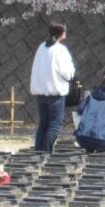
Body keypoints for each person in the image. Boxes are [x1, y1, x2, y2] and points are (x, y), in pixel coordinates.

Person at [30, 22, 75, 153]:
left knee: (43, 124)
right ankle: (46, 153)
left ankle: (38, 152)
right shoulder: (60, 50)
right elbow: (67, 72)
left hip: (41, 93)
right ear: (61, 34)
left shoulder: (41, 47)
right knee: (54, 125)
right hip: (55, 94)